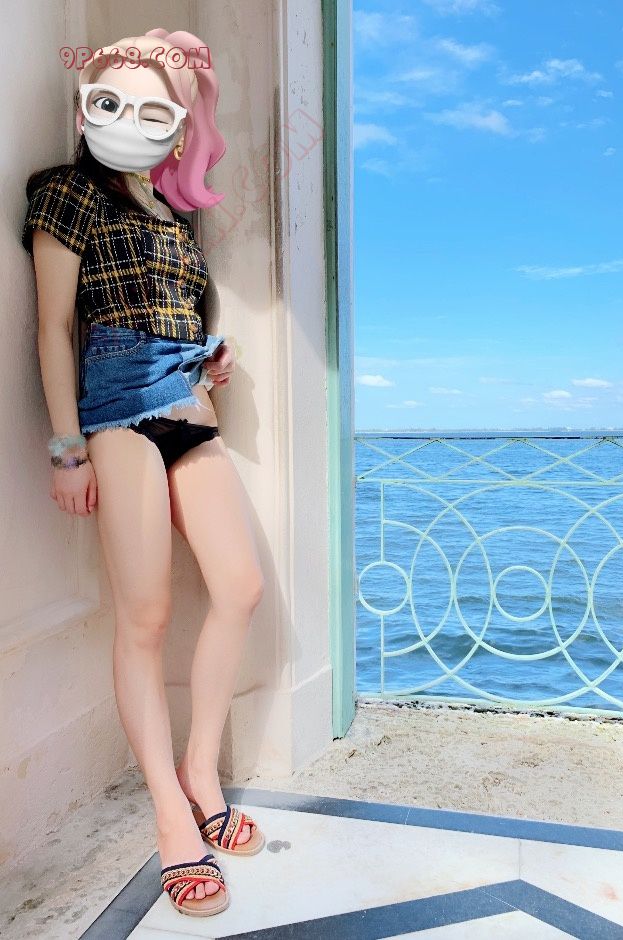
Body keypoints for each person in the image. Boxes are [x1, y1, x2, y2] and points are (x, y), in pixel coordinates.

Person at [22, 29, 265, 918]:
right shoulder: (65, 192)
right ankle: (172, 817)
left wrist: (211, 357)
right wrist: (67, 449)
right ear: (87, 105)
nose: (128, 119)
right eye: (111, 100)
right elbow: (55, 329)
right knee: (147, 617)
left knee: (238, 586)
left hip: (187, 405)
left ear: (179, 125)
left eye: (153, 108)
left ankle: (200, 770)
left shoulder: (171, 211)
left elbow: (172, 312)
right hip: (117, 412)